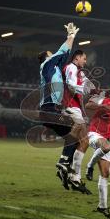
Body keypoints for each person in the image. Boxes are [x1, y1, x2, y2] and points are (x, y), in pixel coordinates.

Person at [38, 22, 80, 189]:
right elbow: (62, 52)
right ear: (47, 57)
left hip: (51, 110)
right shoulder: (46, 65)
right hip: (49, 110)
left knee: (73, 137)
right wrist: (70, 36)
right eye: (51, 54)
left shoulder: (53, 68)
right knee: (76, 126)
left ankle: (63, 167)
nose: (53, 55)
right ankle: (64, 163)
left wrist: (71, 39)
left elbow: (63, 55)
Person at [56, 49, 95, 193]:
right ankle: (69, 168)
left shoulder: (80, 72)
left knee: (80, 142)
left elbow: (88, 85)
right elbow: (72, 86)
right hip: (70, 106)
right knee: (84, 141)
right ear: (77, 58)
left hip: (76, 108)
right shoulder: (71, 68)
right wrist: (85, 90)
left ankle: (69, 172)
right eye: (84, 58)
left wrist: (98, 92)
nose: (85, 61)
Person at [85, 84, 110, 219]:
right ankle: (89, 166)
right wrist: (103, 106)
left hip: (106, 138)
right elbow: (88, 105)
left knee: (105, 173)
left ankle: (102, 206)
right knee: (107, 147)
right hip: (94, 134)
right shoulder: (104, 99)